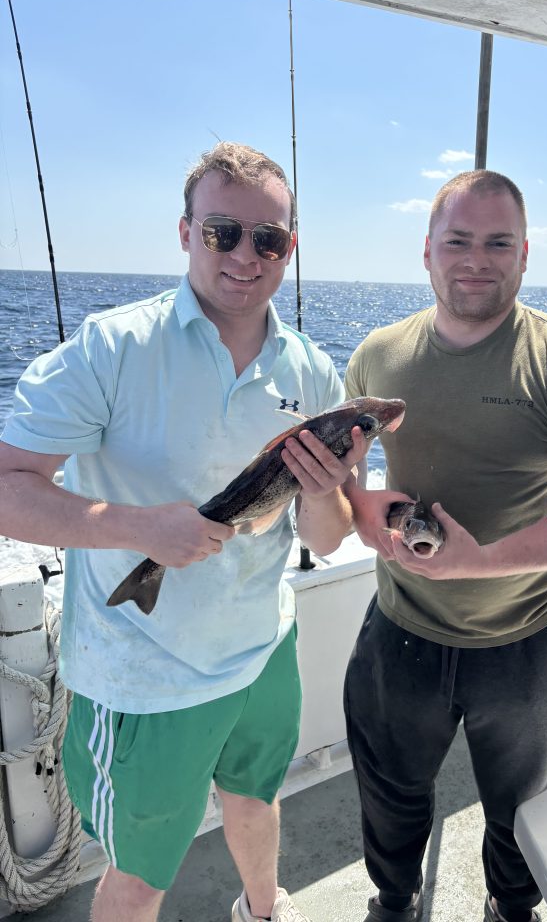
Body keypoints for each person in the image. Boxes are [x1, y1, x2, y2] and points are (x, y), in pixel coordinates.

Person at [0, 142, 368, 922]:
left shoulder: (311, 372)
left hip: (264, 649)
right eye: (221, 232)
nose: (245, 255)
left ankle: (264, 911)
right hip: (146, 678)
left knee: (257, 800)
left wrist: (326, 493)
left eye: (267, 239)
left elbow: (330, 538)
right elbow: (7, 486)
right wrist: (144, 531)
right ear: (185, 232)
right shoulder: (112, 347)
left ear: (289, 248)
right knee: (139, 878)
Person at [343, 170, 547, 922]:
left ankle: (512, 908)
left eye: (498, 242)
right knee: (391, 793)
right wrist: (356, 507)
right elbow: (351, 484)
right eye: (459, 241)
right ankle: (394, 901)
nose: (477, 258)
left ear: (526, 253)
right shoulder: (377, 355)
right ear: (427, 252)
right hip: (401, 632)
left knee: (521, 809)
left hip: (528, 644)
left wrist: (480, 562)